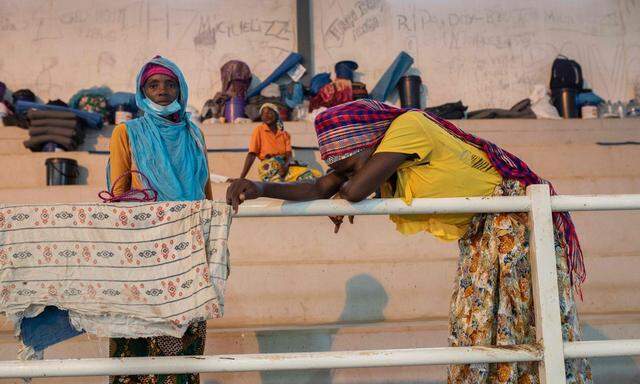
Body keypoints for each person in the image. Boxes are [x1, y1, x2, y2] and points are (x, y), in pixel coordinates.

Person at [226, 99, 592, 383]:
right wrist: (259, 187)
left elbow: (354, 189)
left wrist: (346, 192)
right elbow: (323, 185)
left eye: (349, 163)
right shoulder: (375, 152)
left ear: (367, 142)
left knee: (524, 325)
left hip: (516, 225)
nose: (345, 174)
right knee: (479, 327)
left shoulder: (409, 125)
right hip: (481, 233)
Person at [108, 56, 212, 384]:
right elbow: (118, 192)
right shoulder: (127, 132)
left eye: (169, 84)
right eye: (154, 85)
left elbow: (204, 188)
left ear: (180, 87)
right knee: (136, 335)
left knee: (182, 337)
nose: (162, 90)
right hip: (142, 248)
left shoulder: (194, 134)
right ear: (143, 91)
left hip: (188, 248)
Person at [239, 103, 318, 182]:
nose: (266, 116)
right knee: (278, 185)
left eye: (269, 112)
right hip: (268, 167)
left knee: (311, 175)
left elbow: (288, 154)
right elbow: (251, 155)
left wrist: (285, 166)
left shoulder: (285, 134)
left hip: (284, 166)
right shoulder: (259, 130)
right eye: (263, 114)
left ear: (276, 114)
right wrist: (241, 178)